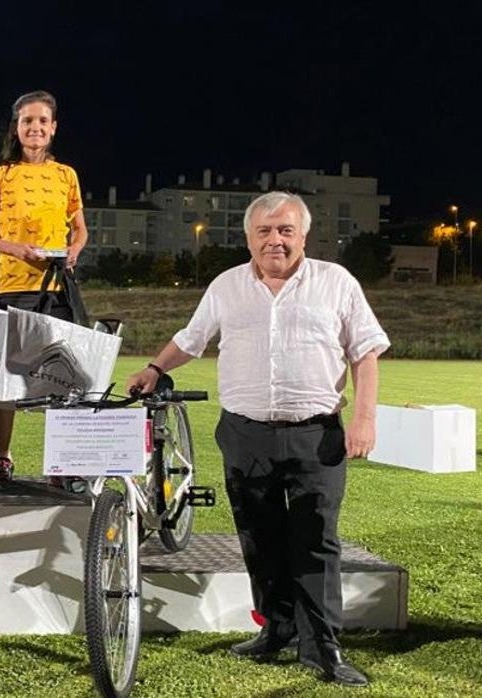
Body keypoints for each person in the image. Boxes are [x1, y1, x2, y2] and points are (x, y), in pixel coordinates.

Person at [126, 191, 388, 687]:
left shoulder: (336, 282)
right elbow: (192, 337)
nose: (276, 240)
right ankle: (277, 628)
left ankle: (322, 646)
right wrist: (156, 366)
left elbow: (366, 352)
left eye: (286, 230)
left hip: (316, 434)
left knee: (315, 540)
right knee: (259, 538)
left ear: (303, 235)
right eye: (265, 231)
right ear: (248, 237)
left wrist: (366, 419)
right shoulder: (227, 285)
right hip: (245, 433)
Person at [0, 90, 89, 489]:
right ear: (17, 128)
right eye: (27, 121)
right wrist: (14, 248)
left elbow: (80, 227)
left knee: (60, 376)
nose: (35, 128)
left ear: (53, 128)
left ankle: (60, 463)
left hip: (55, 288)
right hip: (12, 287)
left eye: (42, 121)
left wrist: (74, 249)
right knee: (6, 377)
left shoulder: (66, 175)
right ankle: (3, 458)